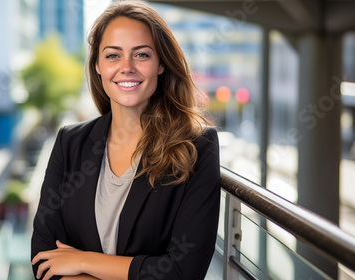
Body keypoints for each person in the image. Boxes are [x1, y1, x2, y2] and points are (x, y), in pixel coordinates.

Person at [31, 1, 220, 279]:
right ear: (97, 65)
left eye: (141, 55)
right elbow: (44, 259)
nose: (127, 67)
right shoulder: (68, 143)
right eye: (113, 56)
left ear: (161, 64)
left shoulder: (197, 146)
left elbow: (183, 271)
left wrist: (84, 261)